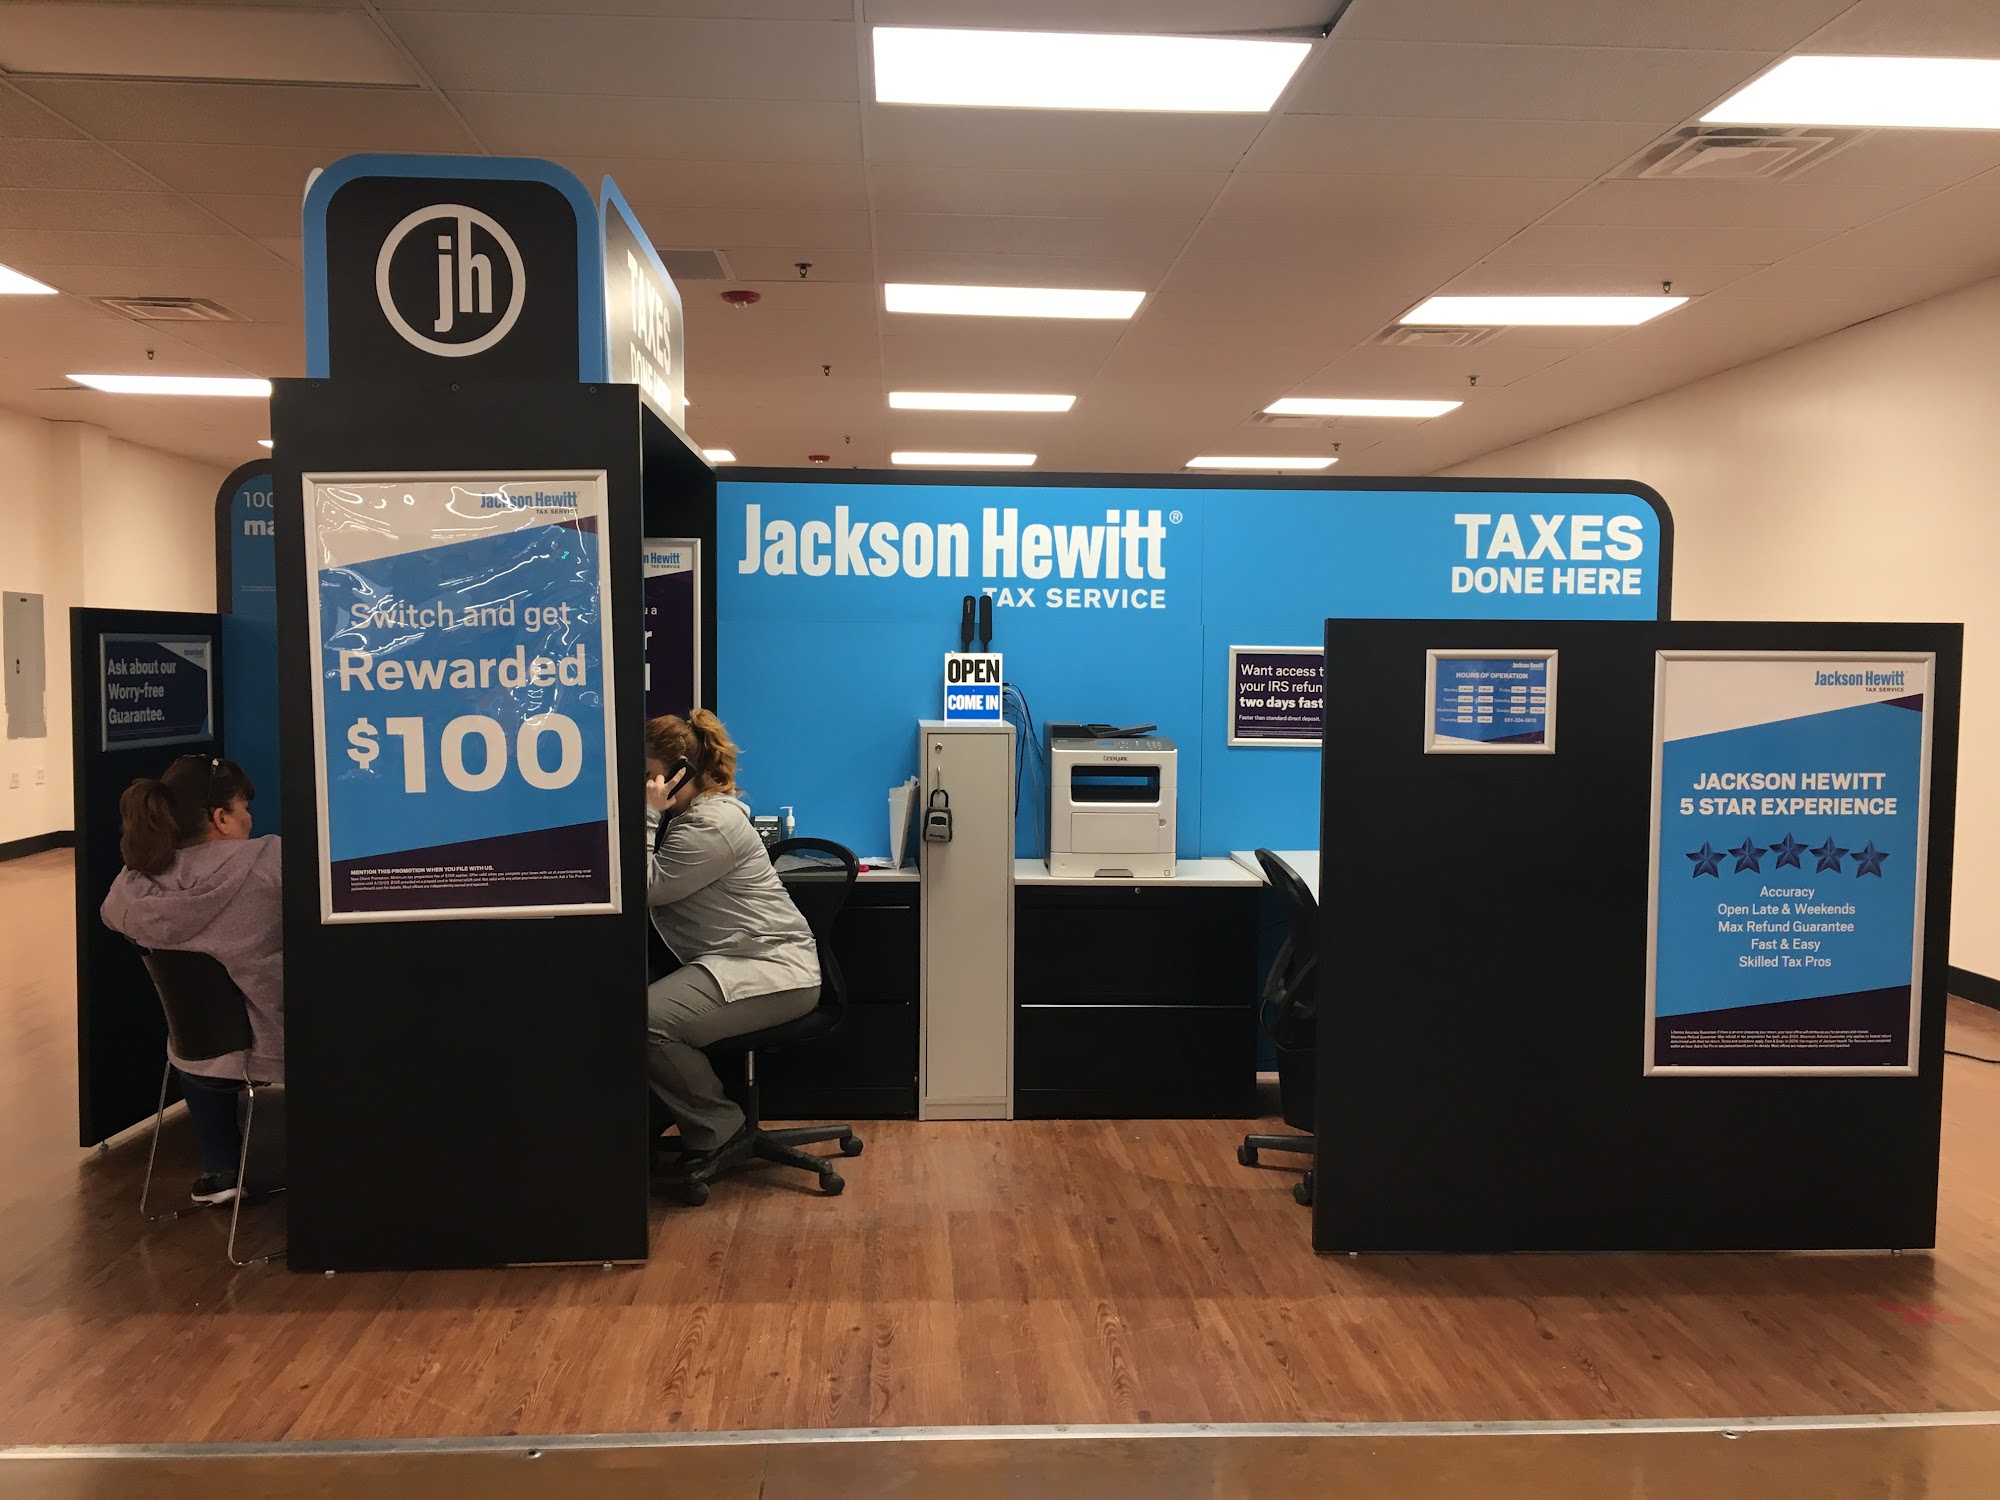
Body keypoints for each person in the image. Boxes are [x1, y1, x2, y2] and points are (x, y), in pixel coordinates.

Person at [100, 755, 282, 1206]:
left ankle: (221, 1167)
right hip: (280, 1042)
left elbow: (110, 916)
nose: (249, 818)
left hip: (200, 1051)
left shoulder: (133, 885)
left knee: (207, 1049)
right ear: (221, 818)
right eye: (243, 807)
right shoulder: (269, 860)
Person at [644, 710, 819, 1177]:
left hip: (775, 971)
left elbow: (649, 886)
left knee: (646, 1021)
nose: (644, 785)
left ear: (680, 771)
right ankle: (671, 1117)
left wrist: (648, 811)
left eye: (649, 774)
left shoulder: (711, 825)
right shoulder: (691, 816)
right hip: (738, 960)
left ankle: (721, 1126)